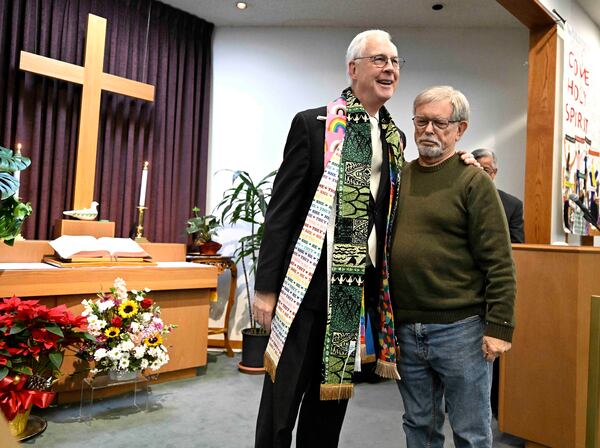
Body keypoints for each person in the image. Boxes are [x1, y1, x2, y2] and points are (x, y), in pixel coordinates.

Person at [252, 29, 406, 448]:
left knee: (329, 401)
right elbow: (281, 212)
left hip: (353, 292)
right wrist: (266, 289)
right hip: (305, 288)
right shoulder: (313, 125)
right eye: (379, 60)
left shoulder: (395, 138)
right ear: (353, 68)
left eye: (395, 61)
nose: (390, 68)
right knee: (283, 399)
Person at [390, 86, 516, 448]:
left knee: (472, 432)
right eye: (421, 121)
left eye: (440, 123)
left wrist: (500, 327)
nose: (429, 130)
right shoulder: (399, 179)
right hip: (405, 329)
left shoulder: (473, 181)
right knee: (418, 426)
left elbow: (499, 261)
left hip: (461, 331)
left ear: (460, 130)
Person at [472, 148, 524, 243]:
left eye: (486, 170)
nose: (480, 175)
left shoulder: (513, 205)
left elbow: (517, 246)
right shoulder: (457, 198)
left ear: (494, 173)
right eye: (476, 170)